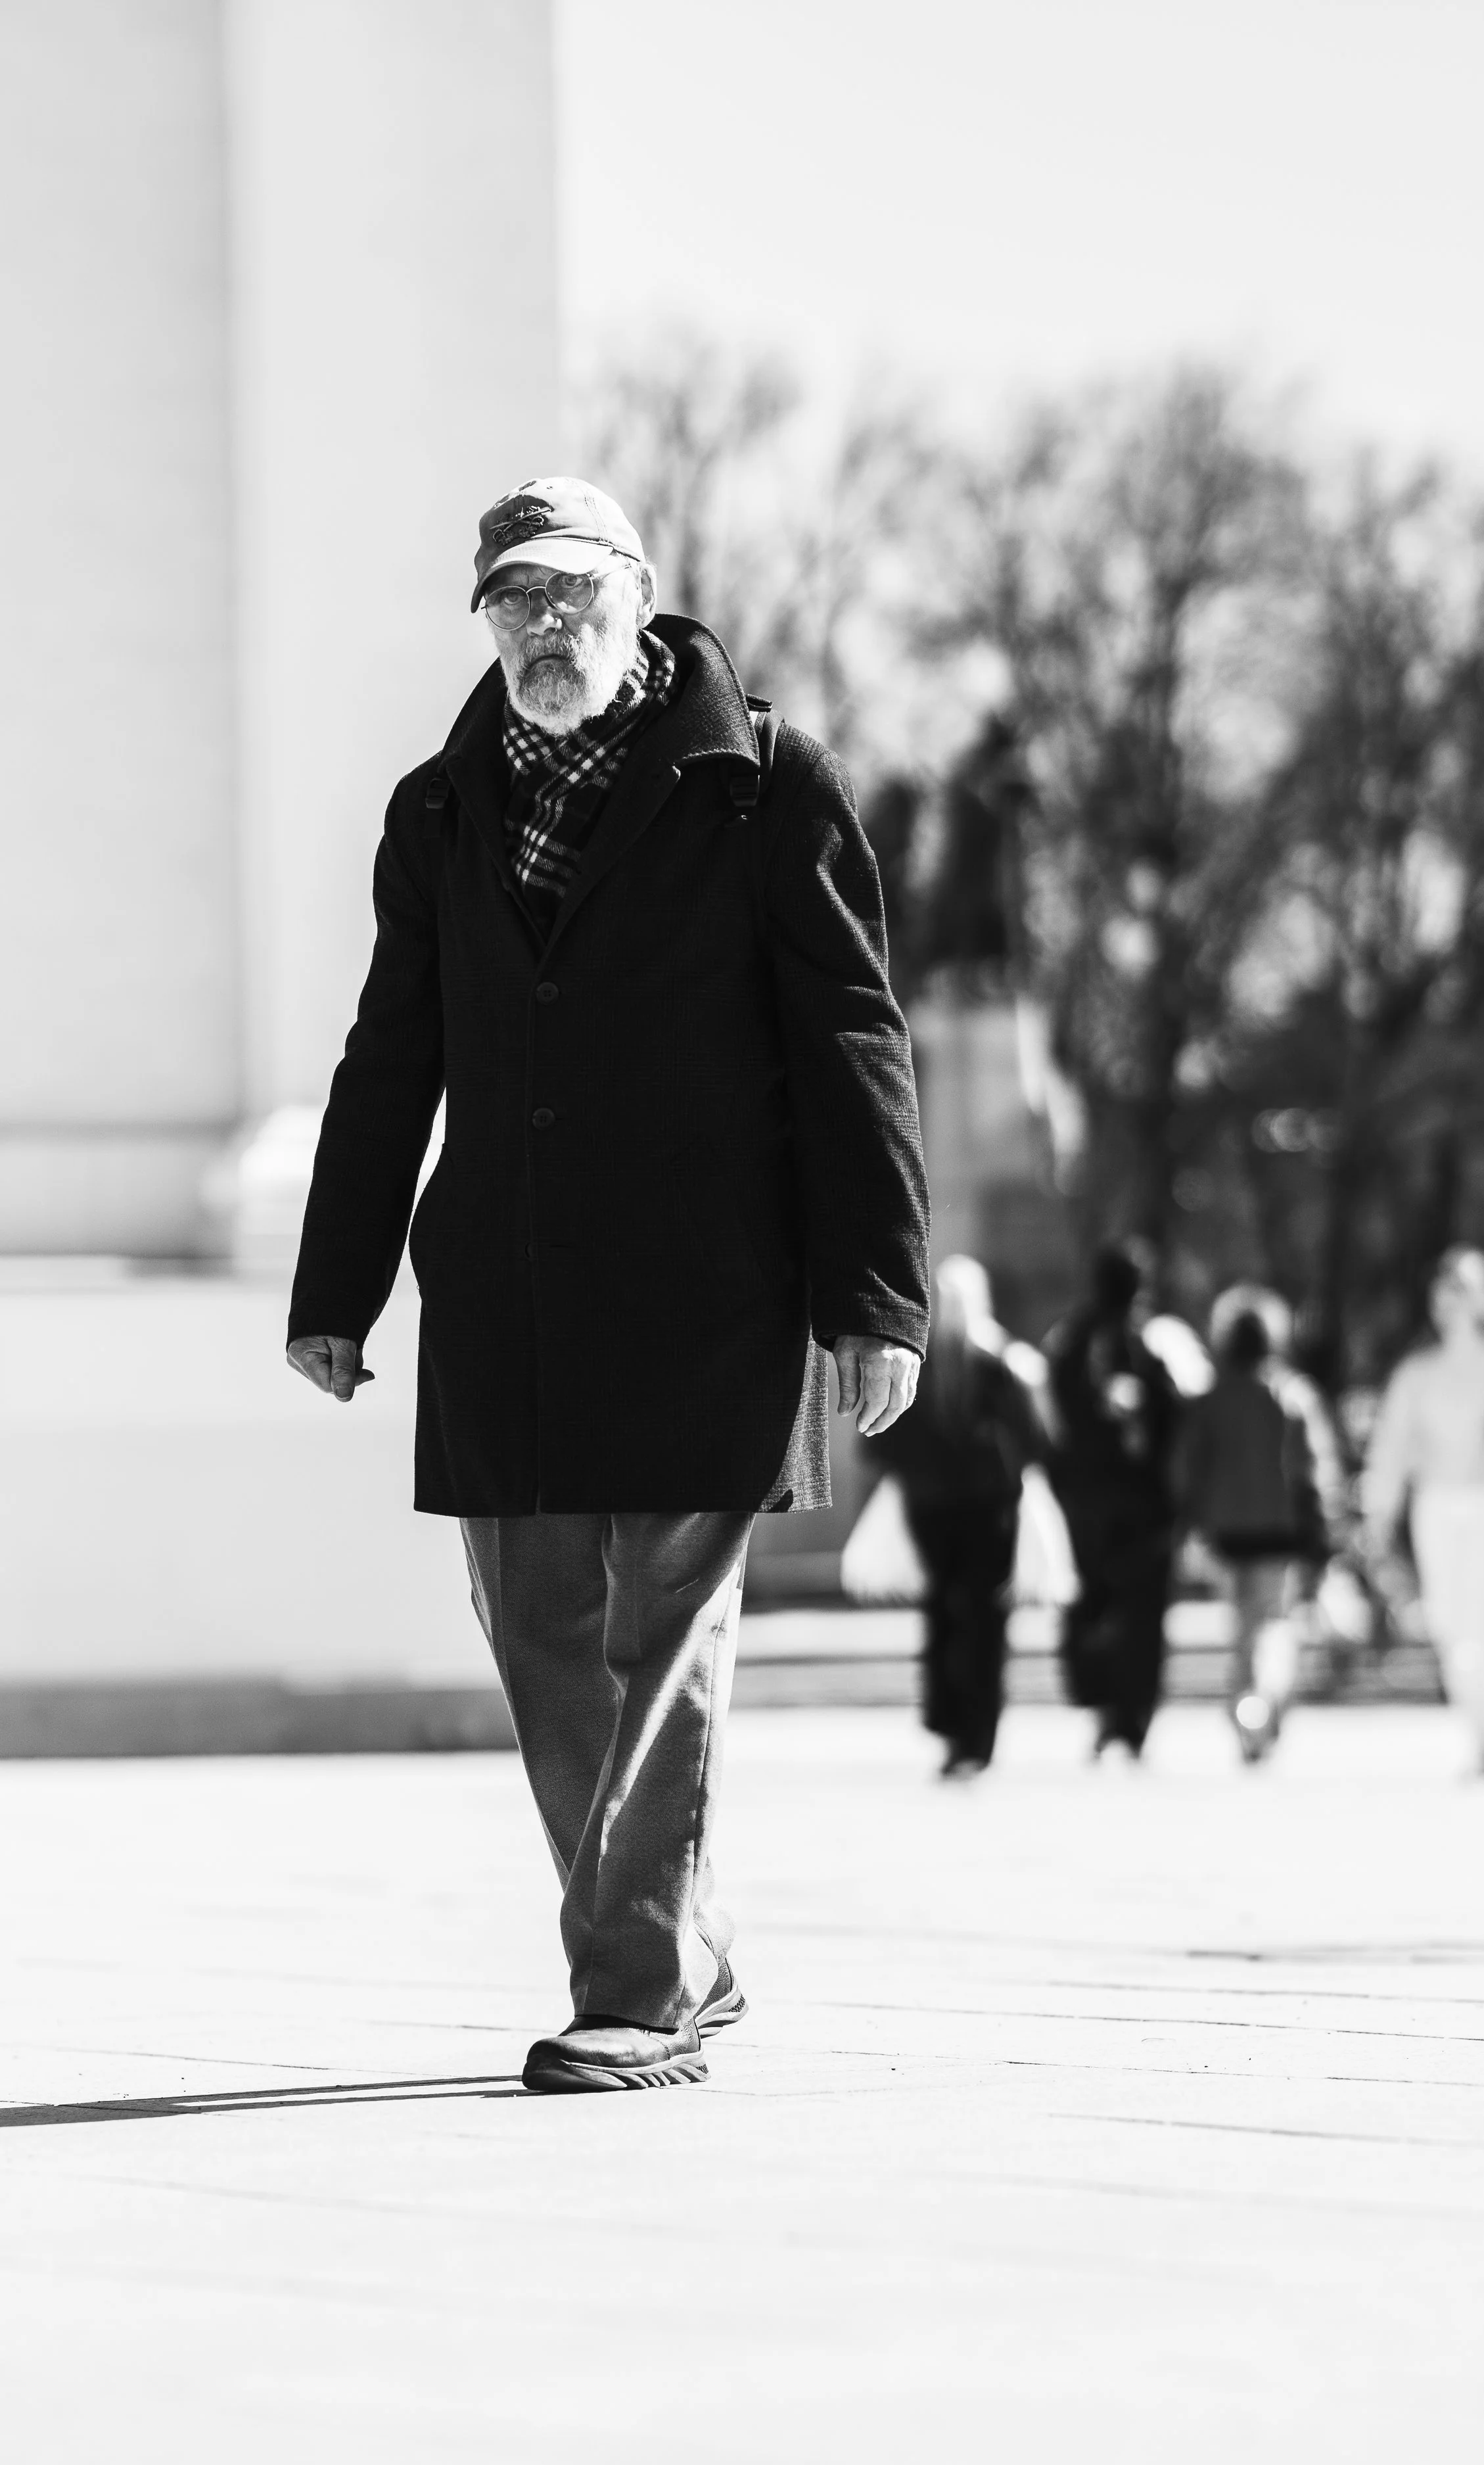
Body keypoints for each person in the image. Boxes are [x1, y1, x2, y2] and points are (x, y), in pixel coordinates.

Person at [286, 477, 929, 2091]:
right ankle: (678, 1939)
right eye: (515, 599)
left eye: (573, 593)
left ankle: (635, 1984)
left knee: (666, 1624)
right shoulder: (437, 809)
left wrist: (879, 1294)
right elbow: (393, 1055)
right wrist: (336, 1285)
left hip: (712, 1286)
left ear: (639, 596)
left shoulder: (762, 784)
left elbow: (852, 1031)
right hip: (503, 1291)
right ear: (486, 618)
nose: (545, 624)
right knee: (541, 1632)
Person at [1363, 1247, 1484, 1778]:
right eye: (1442, 1294)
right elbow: (1391, 1451)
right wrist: (1379, 1516)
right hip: (1437, 1508)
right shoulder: (1417, 1372)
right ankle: (1480, 1731)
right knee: (1450, 1619)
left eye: (1461, 1292)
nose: (1449, 1305)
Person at [868, 1256, 1042, 1776]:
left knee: (945, 1616)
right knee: (982, 1623)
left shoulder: (926, 1364)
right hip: (988, 1515)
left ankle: (950, 1724)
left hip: (937, 1511)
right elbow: (1036, 1441)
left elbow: (885, 1442)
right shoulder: (1004, 1364)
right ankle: (974, 1736)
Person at [1043, 1242, 1180, 1758]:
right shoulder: (1159, 1340)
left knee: (1093, 1606)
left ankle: (1104, 1712)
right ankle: (1131, 1720)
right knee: (1141, 1615)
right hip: (1144, 1505)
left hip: (1085, 1502)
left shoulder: (1068, 1341)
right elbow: (1181, 1417)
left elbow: (1052, 1422)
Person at [1176, 1302, 1325, 1764]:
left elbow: (1185, 1468)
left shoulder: (1211, 1399)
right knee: (1274, 1624)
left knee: (1243, 1625)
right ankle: (1261, 1702)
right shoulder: (1292, 1396)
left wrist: (1193, 1521)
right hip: (1280, 1530)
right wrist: (1320, 1528)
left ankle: (1245, 1707)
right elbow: (1314, 1469)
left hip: (1226, 1530)